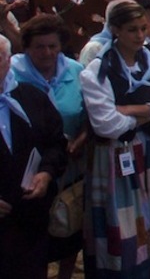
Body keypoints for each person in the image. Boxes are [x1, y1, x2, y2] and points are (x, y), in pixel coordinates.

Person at [78, 0, 150, 278]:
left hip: (149, 150)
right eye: (132, 30)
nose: (140, 36)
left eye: (143, 28)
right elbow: (107, 125)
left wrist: (130, 109)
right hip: (115, 156)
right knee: (124, 224)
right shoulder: (97, 71)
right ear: (115, 30)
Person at [12, 14, 87, 278]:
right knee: (38, 231)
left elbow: (89, 114)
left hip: (70, 162)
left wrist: (82, 137)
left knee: (70, 222)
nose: (47, 52)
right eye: (39, 47)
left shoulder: (76, 71)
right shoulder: (12, 73)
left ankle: (66, 273)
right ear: (27, 48)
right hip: (30, 166)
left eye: (52, 46)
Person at [0, 34, 67, 279]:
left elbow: (56, 144)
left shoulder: (31, 97)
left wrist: (46, 173)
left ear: (9, 61)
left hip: (30, 219)